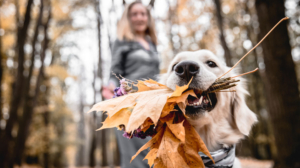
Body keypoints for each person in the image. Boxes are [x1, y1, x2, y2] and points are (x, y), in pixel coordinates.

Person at [102, 2, 159, 168]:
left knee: (153, 154)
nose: (139, 17)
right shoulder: (121, 41)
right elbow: (114, 71)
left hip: (152, 104)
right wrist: (110, 88)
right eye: (134, 14)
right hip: (129, 103)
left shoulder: (152, 43)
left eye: (143, 14)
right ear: (128, 18)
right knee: (134, 157)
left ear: (148, 18)